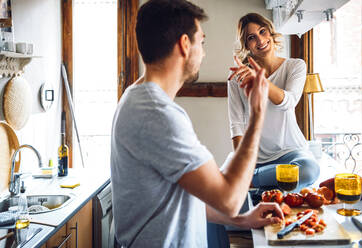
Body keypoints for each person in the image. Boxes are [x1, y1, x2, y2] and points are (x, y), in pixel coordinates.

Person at [110, 1, 284, 247]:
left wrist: (244, 220)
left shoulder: (135, 96)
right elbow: (230, 199)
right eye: (201, 42)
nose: (203, 52)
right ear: (184, 44)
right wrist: (257, 114)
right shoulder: (158, 114)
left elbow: (187, 195)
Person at [227, 13, 320, 190]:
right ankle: (259, 179)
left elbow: (288, 102)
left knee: (309, 170)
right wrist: (242, 165)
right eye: (251, 37)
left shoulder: (295, 66)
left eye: (263, 32)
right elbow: (236, 125)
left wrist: (261, 80)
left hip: (292, 153)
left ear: (271, 33)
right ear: (246, 45)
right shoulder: (236, 78)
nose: (260, 40)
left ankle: (252, 181)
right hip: (254, 158)